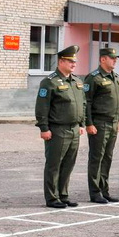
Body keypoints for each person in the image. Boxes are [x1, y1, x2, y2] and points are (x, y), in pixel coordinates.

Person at [35, 45, 85, 208]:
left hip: (74, 129)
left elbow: (82, 104)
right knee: (54, 164)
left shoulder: (77, 81)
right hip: (57, 129)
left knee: (68, 164)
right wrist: (44, 128)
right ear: (61, 61)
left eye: (75, 62)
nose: (73, 64)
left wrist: (82, 124)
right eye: (70, 61)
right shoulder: (49, 82)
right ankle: (51, 197)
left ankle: (63, 194)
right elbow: (42, 107)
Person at [84, 47, 119, 203]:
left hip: (113, 123)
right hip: (99, 123)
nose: (115, 60)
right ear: (102, 59)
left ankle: (104, 190)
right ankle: (95, 192)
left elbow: (118, 101)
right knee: (96, 158)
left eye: (116, 58)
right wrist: (89, 123)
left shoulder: (116, 77)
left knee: (107, 158)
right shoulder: (93, 78)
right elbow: (87, 102)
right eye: (112, 58)